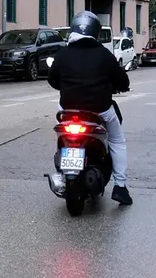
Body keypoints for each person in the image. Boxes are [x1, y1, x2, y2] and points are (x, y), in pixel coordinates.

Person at [47, 11, 132, 205]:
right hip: (99, 111)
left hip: (68, 112)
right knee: (117, 141)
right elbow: (123, 81)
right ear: (96, 31)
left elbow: (52, 80)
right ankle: (120, 186)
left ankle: (62, 170)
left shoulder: (63, 54)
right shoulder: (104, 54)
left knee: (61, 133)